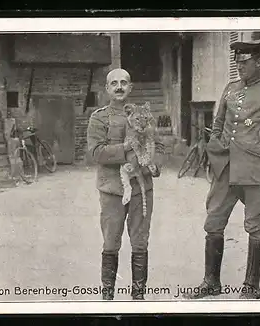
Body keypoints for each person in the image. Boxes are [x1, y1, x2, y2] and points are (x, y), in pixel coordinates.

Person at [185, 35, 260, 300]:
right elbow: (218, 122)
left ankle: (251, 286)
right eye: (237, 62)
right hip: (226, 168)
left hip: (253, 168)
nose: (240, 67)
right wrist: (215, 145)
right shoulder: (230, 88)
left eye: (246, 62)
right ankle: (211, 282)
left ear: (258, 62)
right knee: (213, 223)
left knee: (254, 225)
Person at [86, 68, 164, 301]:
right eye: (114, 83)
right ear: (107, 88)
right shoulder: (99, 117)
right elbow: (96, 152)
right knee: (111, 242)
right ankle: (107, 298)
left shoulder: (143, 115)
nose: (119, 87)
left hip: (142, 188)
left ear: (130, 88)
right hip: (112, 190)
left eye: (124, 83)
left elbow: (158, 146)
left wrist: (155, 165)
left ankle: (137, 299)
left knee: (140, 241)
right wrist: (127, 149)